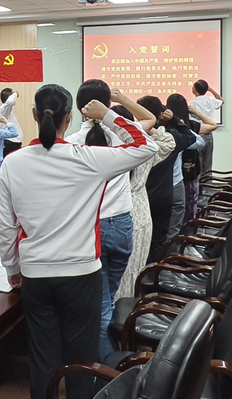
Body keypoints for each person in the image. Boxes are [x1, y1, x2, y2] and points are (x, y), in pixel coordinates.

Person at [0, 84, 157, 399]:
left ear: (34, 115)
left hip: (36, 274)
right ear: (68, 117)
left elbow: (5, 227)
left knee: (42, 357)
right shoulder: (88, 158)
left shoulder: (12, 163)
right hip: (82, 274)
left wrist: (12, 269)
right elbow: (145, 145)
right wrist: (107, 114)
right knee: (82, 358)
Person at [64, 82, 157, 359]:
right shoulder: (123, 137)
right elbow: (147, 142)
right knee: (107, 300)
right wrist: (109, 116)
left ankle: (105, 370)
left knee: (102, 306)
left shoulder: (71, 143)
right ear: (107, 105)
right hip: (122, 228)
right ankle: (111, 359)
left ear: (78, 108)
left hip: (92, 230)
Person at [110, 105, 176, 301]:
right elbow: (168, 141)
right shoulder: (143, 148)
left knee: (112, 274)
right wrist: (148, 128)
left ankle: (113, 311)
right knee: (134, 270)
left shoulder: (104, 150)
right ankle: (128, 310)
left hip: (113, 214)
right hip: (140, 214)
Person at [137, 96, 200, 265]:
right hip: (162, 196)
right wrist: (174, 119)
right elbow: (190, 137)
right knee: (159, 238)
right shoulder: (168, 139)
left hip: (139, 198)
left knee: (139, 239)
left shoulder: (131, 138)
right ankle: (154, 271)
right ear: (160, 114)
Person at [166, 94, 217, 224]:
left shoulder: (164, 127)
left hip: (170, 178)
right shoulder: (191, 126)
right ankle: (188, 232)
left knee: (172, 213)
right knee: (189, 210)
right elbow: (212, 125)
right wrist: (196, 112)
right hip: (190, 173)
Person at [164, 94, 205, 241]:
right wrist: (178, 123)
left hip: (159, 185)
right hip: (177, 182)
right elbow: (199, 141)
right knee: (177, 221)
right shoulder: (177, 134)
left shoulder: (157, 133)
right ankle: (174, 247)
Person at [189, 79, 223, 176]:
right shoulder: (211, 100)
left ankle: (199, 184)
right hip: (209, 134)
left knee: (198, 163)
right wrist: (211, 90)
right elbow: (221, 100)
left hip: (198, 134)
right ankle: (208, 183)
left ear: (194, 89)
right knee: (208, 163)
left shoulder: (193, 104)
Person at [0, 88, 23, 156]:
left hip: (14, 142)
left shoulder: (8, 111)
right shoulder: (3, 110)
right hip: (10, 142)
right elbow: (10, 102)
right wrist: (15, 93)